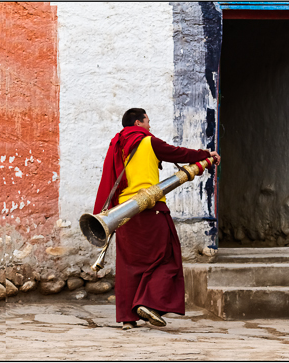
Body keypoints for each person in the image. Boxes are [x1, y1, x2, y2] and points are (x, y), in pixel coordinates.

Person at [93, 108, 220, 330]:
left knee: (128, 265)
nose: (150, 126)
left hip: (122, 213)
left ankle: (127, 319)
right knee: (167, 257)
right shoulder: (147, 141)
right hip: (150, 208)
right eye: (148, 121)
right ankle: (149, 303)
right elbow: (178, 154)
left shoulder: (117, 145)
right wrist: (205, 155)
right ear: (138, 122)